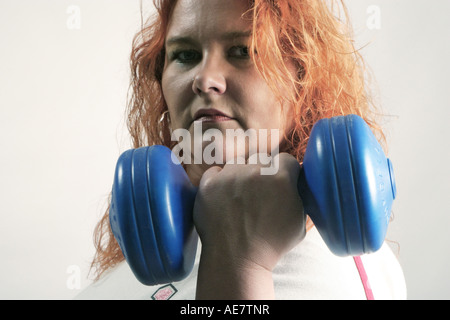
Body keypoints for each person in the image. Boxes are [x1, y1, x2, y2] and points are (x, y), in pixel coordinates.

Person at [76, 0, 406, 300]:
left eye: (242, 51)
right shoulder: (145, 257)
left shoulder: (336, 278)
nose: (205, 79)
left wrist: (240, 264)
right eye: (185, 55)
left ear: (303, 77)